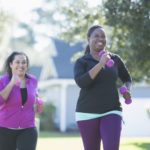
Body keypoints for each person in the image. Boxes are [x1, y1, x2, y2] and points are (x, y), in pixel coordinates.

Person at [74, 25, 132, 150]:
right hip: (86, 113)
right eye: (96, 36)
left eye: (103, 36)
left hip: (112, 110)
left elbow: (127, 78)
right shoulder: (82, 62)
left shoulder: (115, 59)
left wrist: (127, 89)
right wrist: (101, 64)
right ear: (88, 39)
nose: (100, 39)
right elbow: (82, 83)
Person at [0, 51, 43, 150]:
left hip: (28, 128)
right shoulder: (3, 80)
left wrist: (39, 102)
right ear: (11, 64)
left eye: (24, 62)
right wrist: (11, 83)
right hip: (4, 129)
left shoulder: (33, 80)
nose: (21, 65)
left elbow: (35, 94)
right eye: (17, 62)